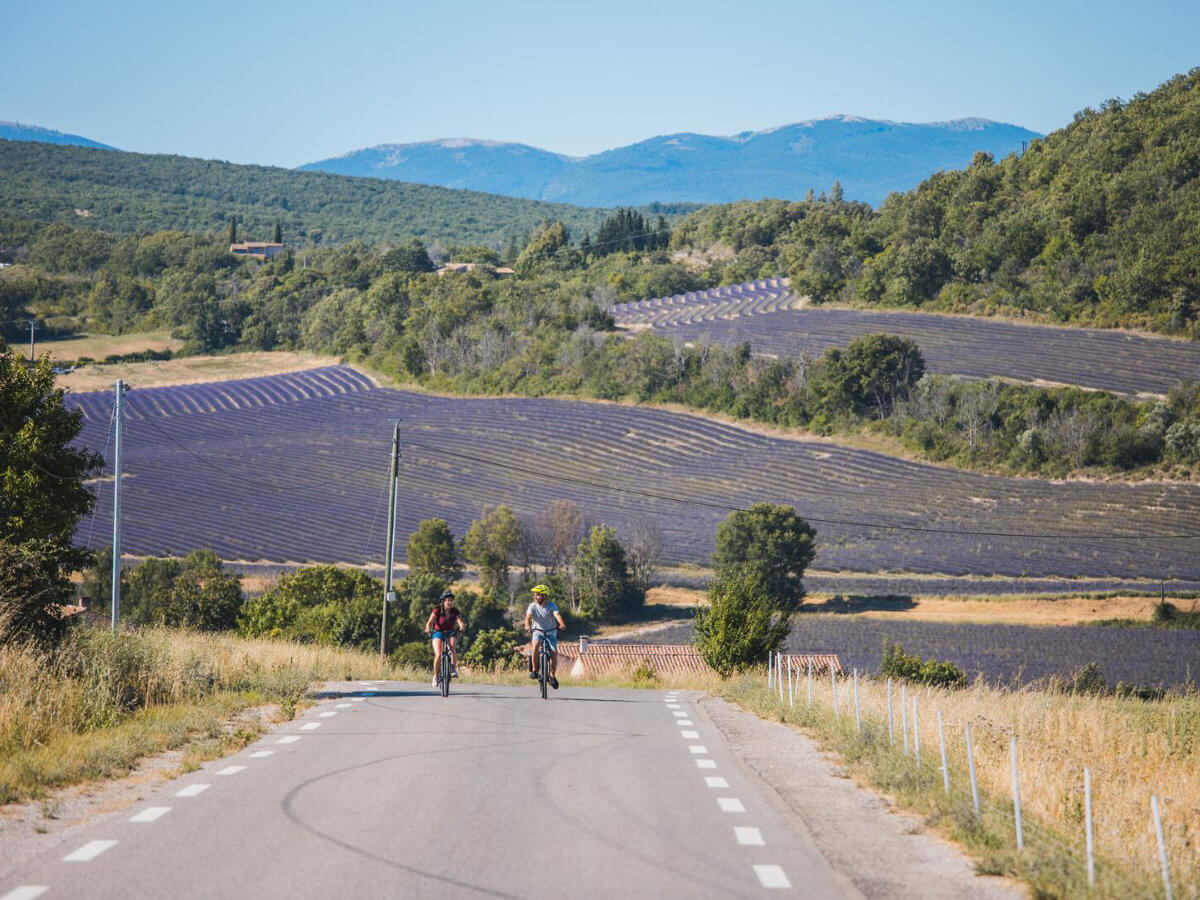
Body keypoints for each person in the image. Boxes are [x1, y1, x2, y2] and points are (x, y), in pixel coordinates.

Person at [525, 583, 566, 689]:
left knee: (553, 653)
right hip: (537, 631)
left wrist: (561, 624)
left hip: (550, 632)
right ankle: (534, 670)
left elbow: (557, 615)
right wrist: (527, 625)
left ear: (544, 596)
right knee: (536, 645)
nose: (535, 596)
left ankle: (552, 676)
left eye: (538, 594)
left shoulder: (552, 606)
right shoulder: (532, 606)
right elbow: (528, 617)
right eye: (535, 594)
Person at [424, 590, 466, 687]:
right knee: (438, 654)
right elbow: (430, 622)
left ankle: (453, 669)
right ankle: (435, 676)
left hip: (450, 632)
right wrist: (427, 628)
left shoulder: (454, 611)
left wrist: (462, 627)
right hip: (438, 632)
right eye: (448, 601)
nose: (450, 603)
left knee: (452, 648)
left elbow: (460, 621)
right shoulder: (437, 609)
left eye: (451, 601)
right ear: (443, 601)